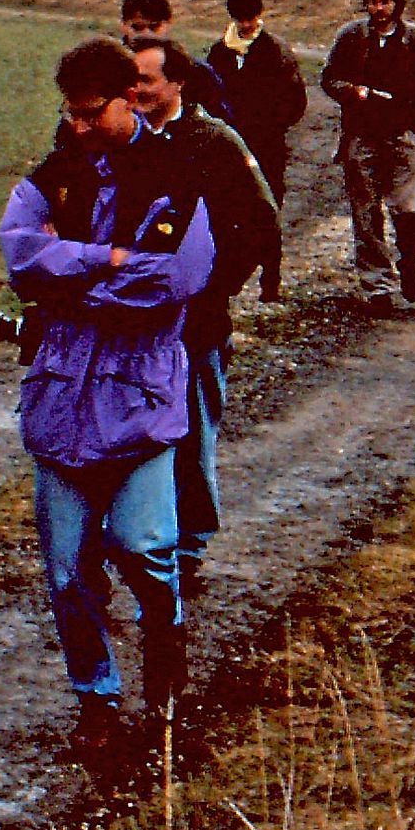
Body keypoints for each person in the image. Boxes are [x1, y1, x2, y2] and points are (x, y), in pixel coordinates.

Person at [0, 37, 213, 749]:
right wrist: (108, 258)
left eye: (93, 114)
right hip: (62, 397)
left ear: (134, 99)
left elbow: (173, 279)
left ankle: (166, 663)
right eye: (71, 114)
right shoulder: (52, 173)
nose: (79, 127)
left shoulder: (180, 171)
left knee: (143, 546)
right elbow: (21, 255)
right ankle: (96, 697)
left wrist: (76, 283)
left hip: (139, 394)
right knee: (66, 571)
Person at [129, 39, 278, 599]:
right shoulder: (124, 140)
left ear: (178, 84)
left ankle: (188, 547)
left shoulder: (212, 140)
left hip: (194, 323)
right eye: (131, 79)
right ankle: (136, 541)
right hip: (132, 322)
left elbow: (258, 219)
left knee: (191, 432)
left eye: (146, 79)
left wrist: (214, 290)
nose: (137, 90)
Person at [320, 0, 415, 312]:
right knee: (366, 213)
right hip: (362, 133)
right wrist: (353, 91)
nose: (378, 9)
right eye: (373, 2)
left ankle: (408, 260)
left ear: (397, 4)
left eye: (385, 2)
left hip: (404, 134)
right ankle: (378, 288)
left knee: (410, 209)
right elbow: (329, 78)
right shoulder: (350, 38)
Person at [205, 0, 307, 302]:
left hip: (267, 146)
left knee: (268, 208)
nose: (246, 25)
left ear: (259, 16)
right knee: (225, 210)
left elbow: (295, 101)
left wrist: (271, 126)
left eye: (250, 19)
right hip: (228, 145)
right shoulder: (219, 52)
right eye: (240, 19)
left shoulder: (275, 51)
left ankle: (270, 278)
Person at [119, 0, 230, 124]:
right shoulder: (107, 72)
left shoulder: (196, 73)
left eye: (154, 27)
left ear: (168, 23)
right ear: (123, 25)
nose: (146, 35)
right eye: (137, 28)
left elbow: (222, 122)